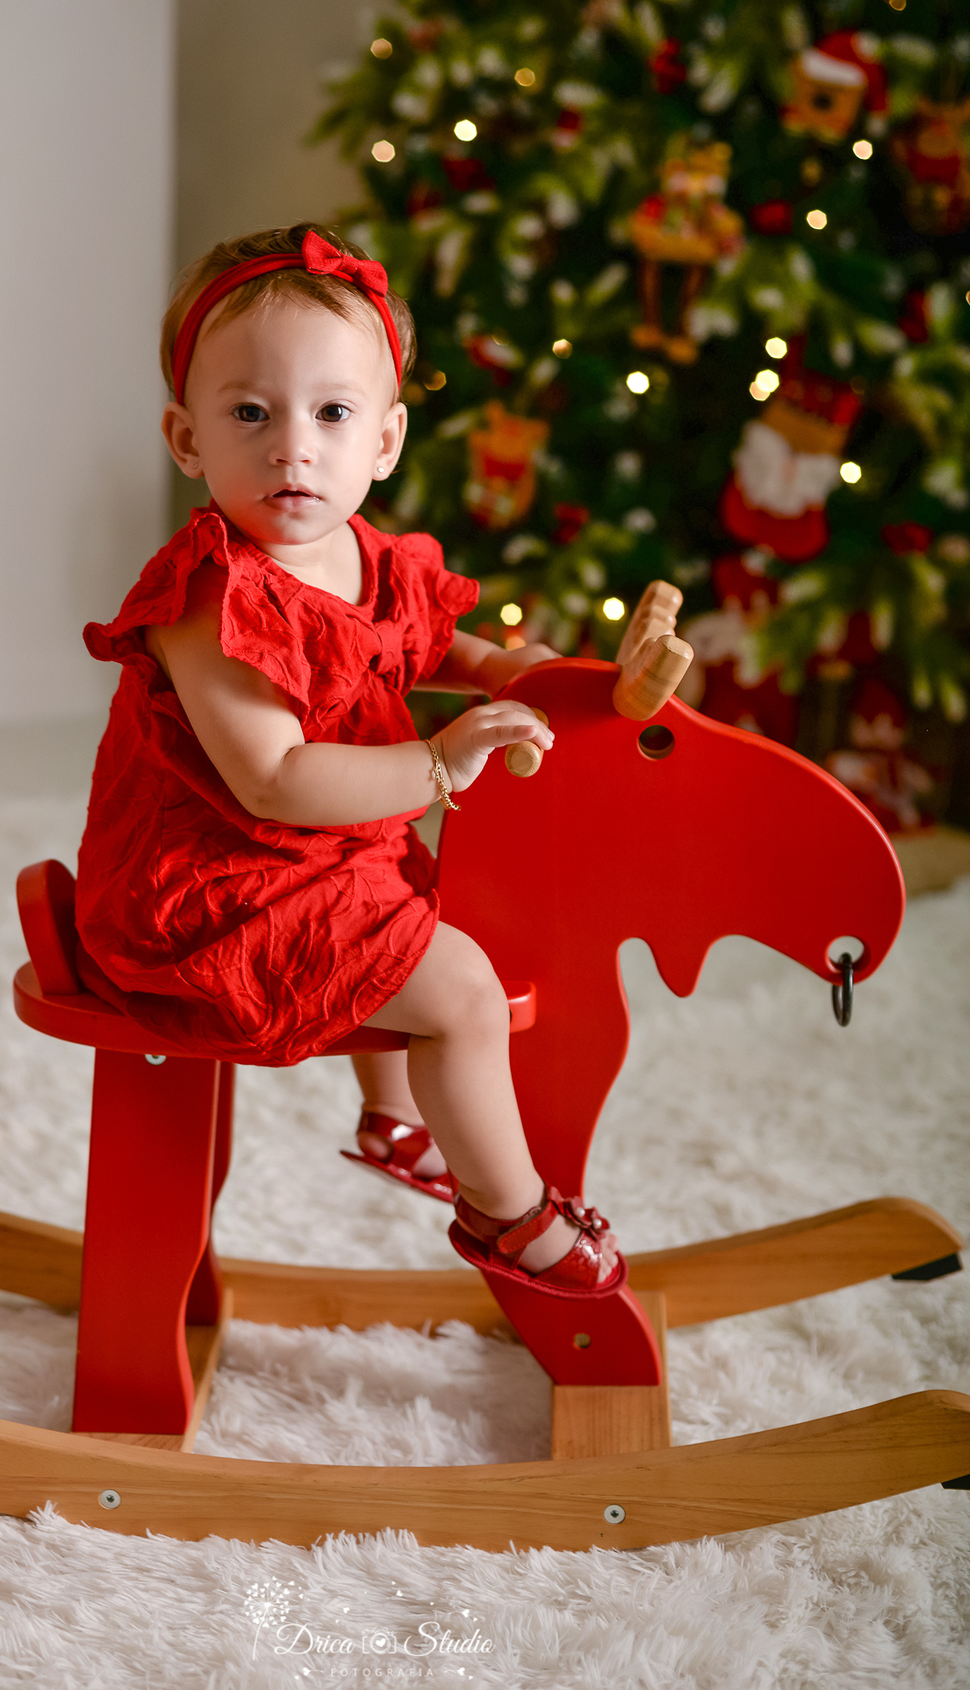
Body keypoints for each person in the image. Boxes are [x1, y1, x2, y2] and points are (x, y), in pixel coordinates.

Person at [76, 224, 658, 1306]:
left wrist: (509, 667)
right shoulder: (213, 595)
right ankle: (509, 1213)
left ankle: (395, 1114)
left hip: (310, 856)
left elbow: (433, 642)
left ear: (384, 441)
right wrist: (437, 764)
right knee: (466, 990)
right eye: (250, 413)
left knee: (416, 890)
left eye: (331, 414)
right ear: (185, 435)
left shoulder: (365, 552)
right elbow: (274, 779)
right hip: (212, 883)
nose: (293, 447)